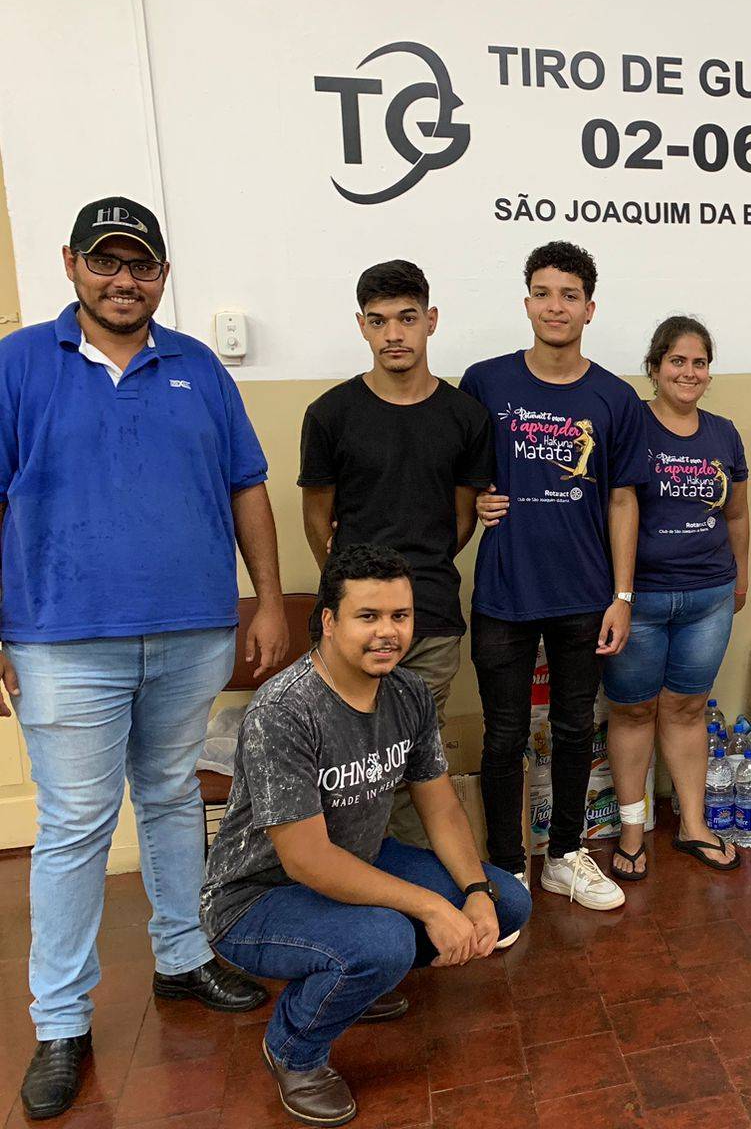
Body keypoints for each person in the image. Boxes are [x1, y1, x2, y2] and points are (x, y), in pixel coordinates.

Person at [0, 197, 288, 1120]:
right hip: (61, 639)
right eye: (106, 262)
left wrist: (268, 598)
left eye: (142, 265)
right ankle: (60, 1023)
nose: (124, 281)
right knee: (77, 826)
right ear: (71, 264)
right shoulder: (18, 363)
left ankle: (183, 957)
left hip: (191, 631)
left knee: (169, 795)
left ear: (163, 274)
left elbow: (247, 485)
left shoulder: (198, 367)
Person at [201, 545, 530, 1126]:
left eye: (400, 616)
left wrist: (476, 890)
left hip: (361, 859)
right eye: (368, 616)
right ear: (329, 622)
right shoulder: (285, 711)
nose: (387, 633)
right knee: (386, 941)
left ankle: (354, 977)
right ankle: (294, 1050)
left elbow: (441, 808)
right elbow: (307, 861)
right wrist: (432, 907)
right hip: (255, 897)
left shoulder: (408, 694)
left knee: (509, 903)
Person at [479, 316, 751, 878]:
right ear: (654, 368)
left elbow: (738, 512)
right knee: (632, 711)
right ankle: (631, 830)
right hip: (640, 600)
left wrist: (741, 577)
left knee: (688, 709)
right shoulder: (628, 416)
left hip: (708, 598)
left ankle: (693, 825)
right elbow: (609, 499)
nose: (688, 372)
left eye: (699, 362)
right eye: (676, 361)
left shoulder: (724, 433)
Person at [461, 241, 650, 911]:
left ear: (589, 309)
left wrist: (622, 596)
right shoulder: (485, 382)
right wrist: (476, 501)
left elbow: (623, 500)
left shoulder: (615, 397)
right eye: (543, 293)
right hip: (504, 591)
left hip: (584, 594)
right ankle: (508, 868)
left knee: (573, 731)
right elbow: (463, 475)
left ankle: (565, 856)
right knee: (504, 736)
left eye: (570, 295)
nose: (555, 306)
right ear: (527, 303)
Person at [299, 260, 494, 853]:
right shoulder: (330, 414)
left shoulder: (465, 416)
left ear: (430, 321)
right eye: (379, 321)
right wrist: (357, 590)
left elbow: (461, 520)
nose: (394, 334)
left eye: (407, 319)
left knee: (412, 762)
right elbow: (317, 517)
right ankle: (351, 882)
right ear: (361, 326)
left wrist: (413, 577)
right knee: (344, 764)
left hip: (430, 617)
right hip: (349, 622)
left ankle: (414, 881)